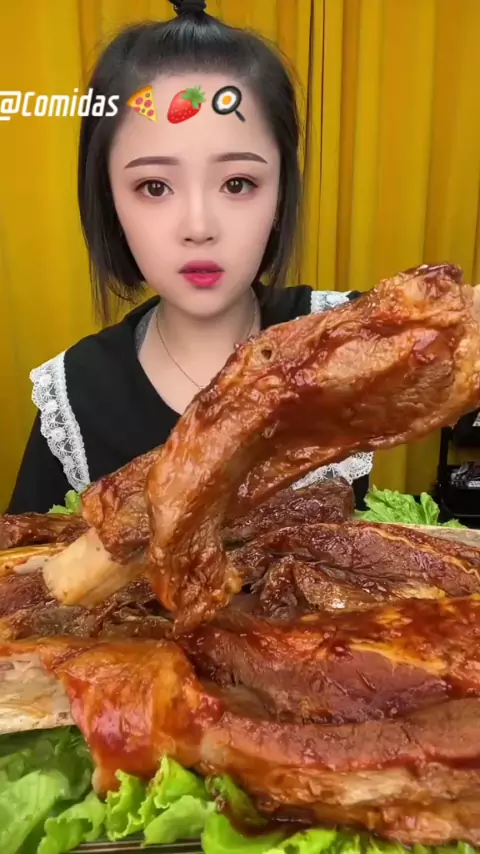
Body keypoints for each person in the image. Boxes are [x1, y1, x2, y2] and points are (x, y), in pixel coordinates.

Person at [8, 0, 372, 515]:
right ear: (109, 200)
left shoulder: (344, 335)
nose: (199, 227)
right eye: (155, 187)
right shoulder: (76, 395)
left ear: (280, 194)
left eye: (237, 183)